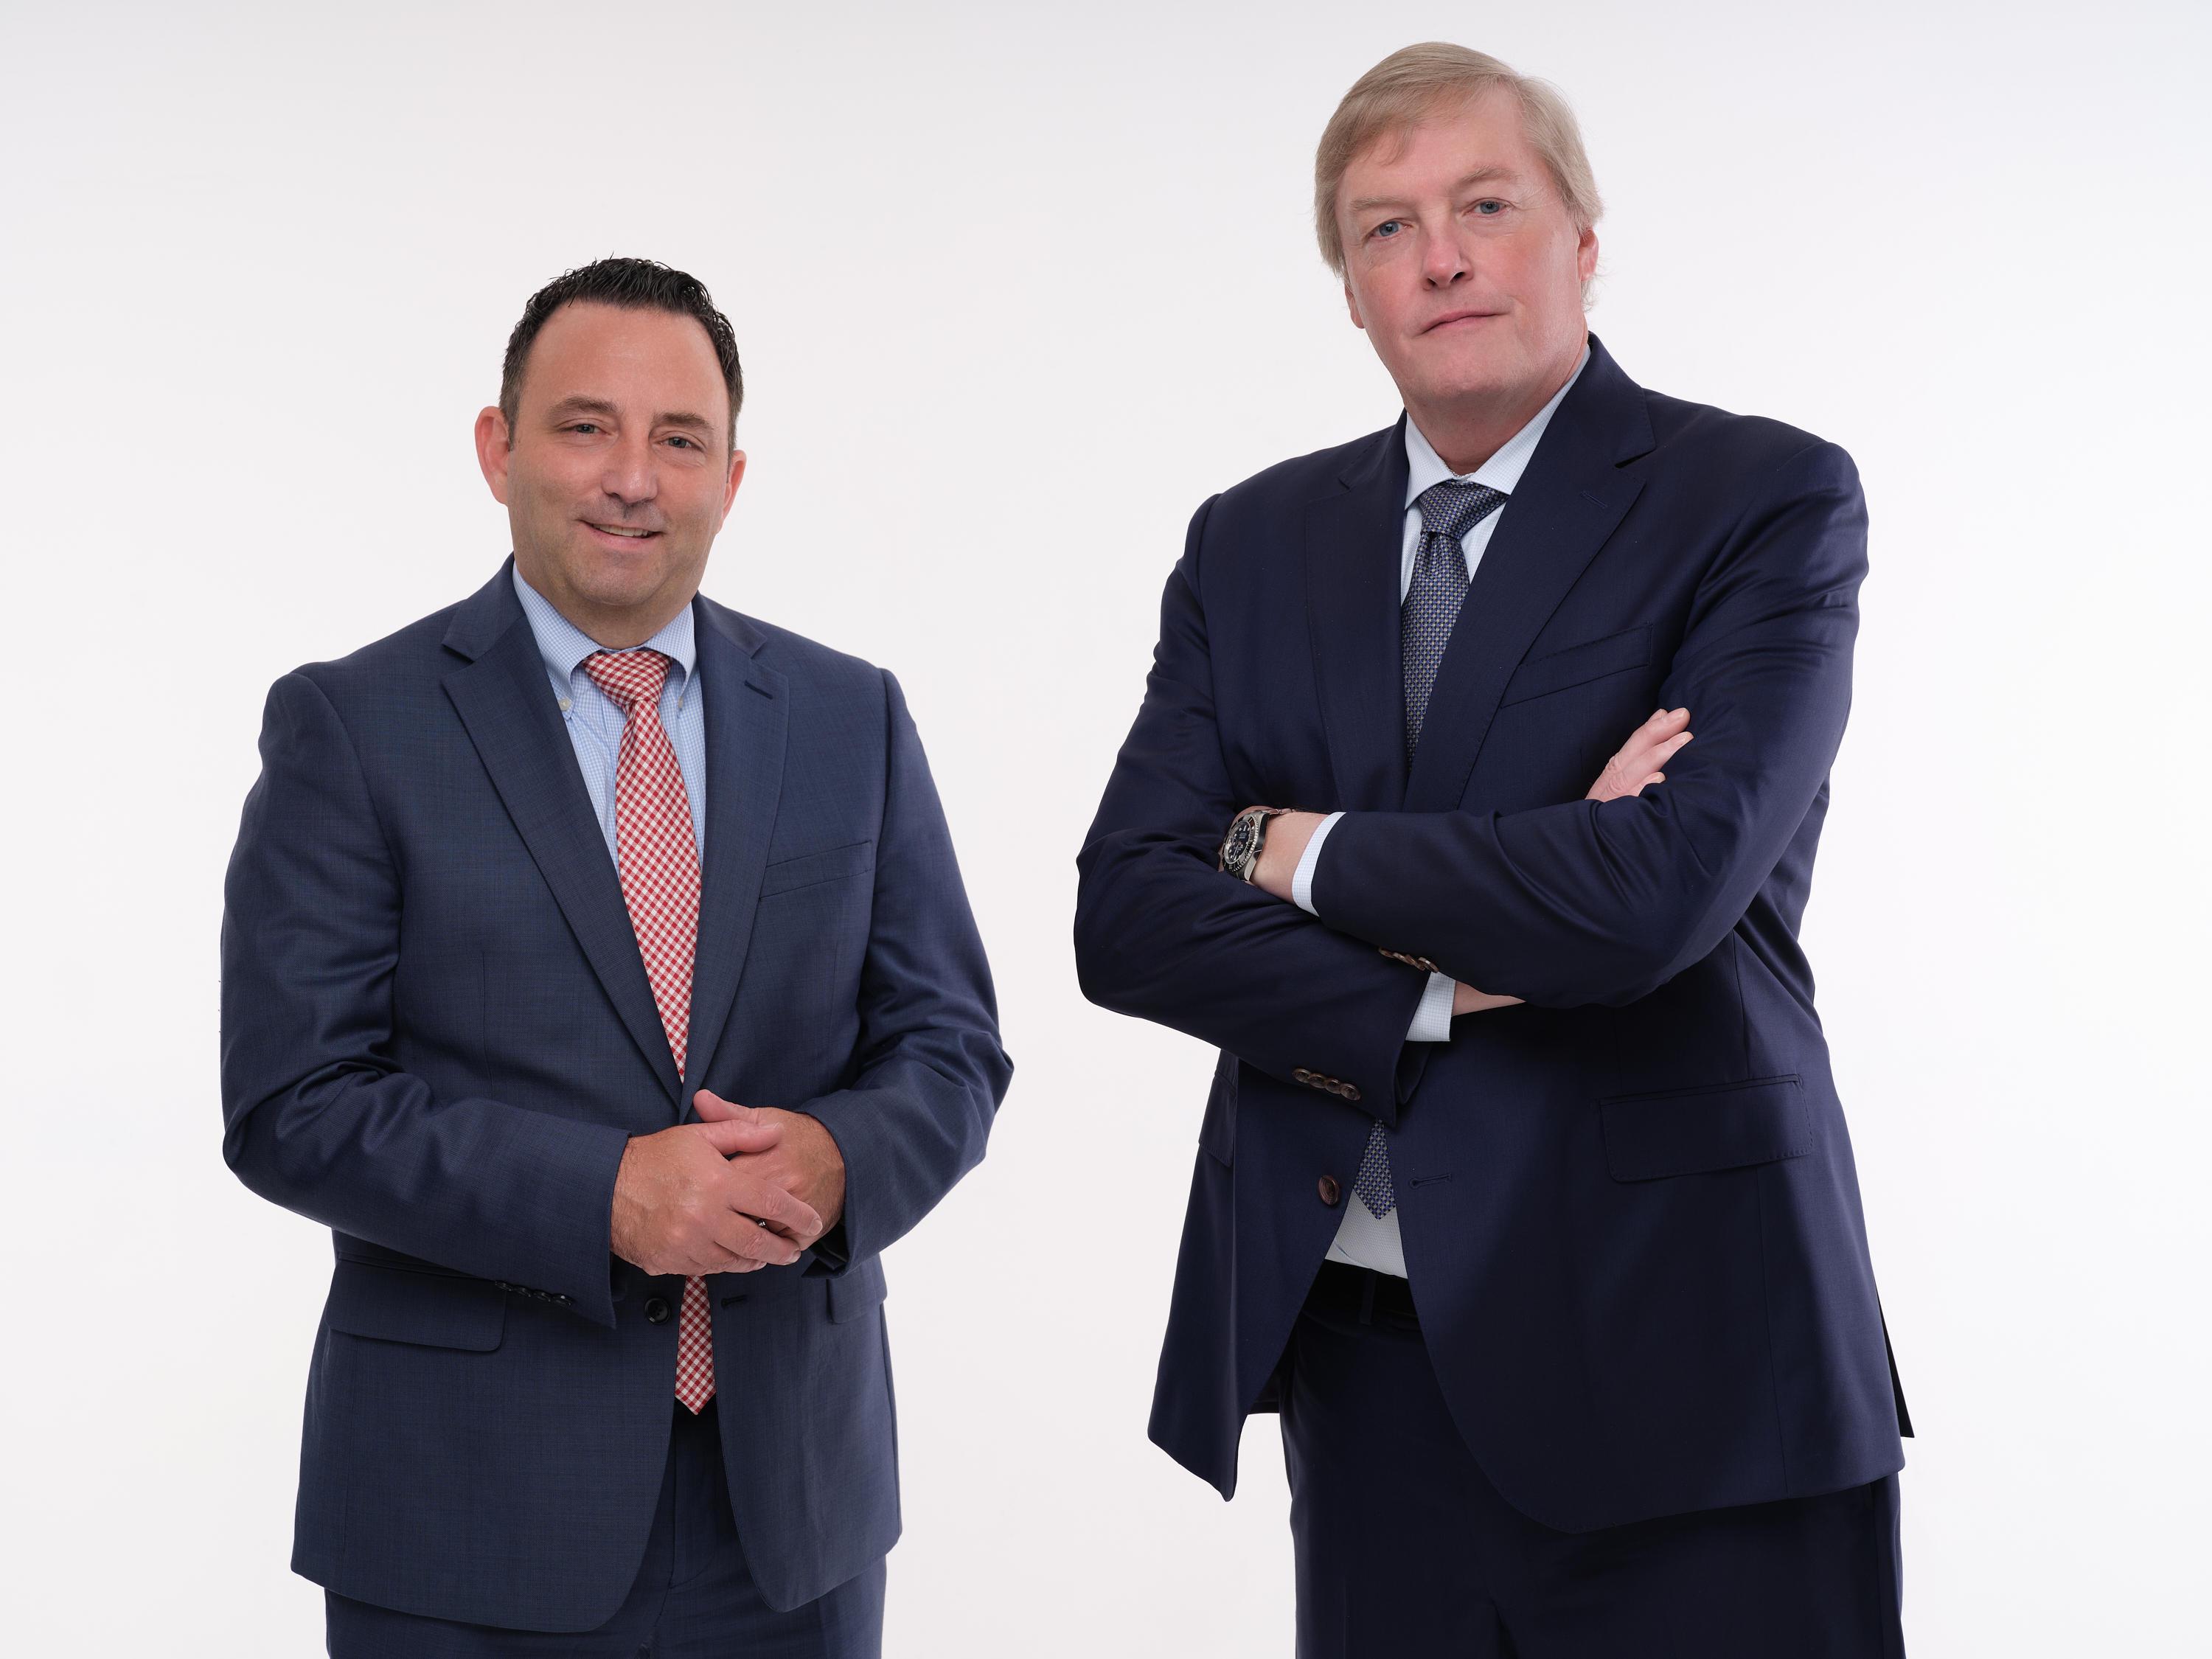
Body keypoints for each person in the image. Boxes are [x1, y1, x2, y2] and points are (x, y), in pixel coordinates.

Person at [1074, 44, 1910, 1656]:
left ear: (1583, 238)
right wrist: (1445, 977)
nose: (1440, 257)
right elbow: (1128, 915)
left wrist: (1283, 847)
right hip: (1365, 1357)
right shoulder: (1251, 541)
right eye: (1385, 228)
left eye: (1485, 206)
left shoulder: (1759, 498)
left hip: (1693, 1355)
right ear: (1351, 292)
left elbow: (1651, 897)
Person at [220, 256, 1010, 1657]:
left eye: (680, 439)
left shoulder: (851, 717)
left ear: (732, 477)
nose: (633, 478)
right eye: (586, 426)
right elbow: (293, 1102)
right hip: (462, 1515)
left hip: (793, 1519)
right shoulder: (353, 725)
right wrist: (606, 1195)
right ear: (498, 448)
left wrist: (838, 1163)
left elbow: (950, 1049)